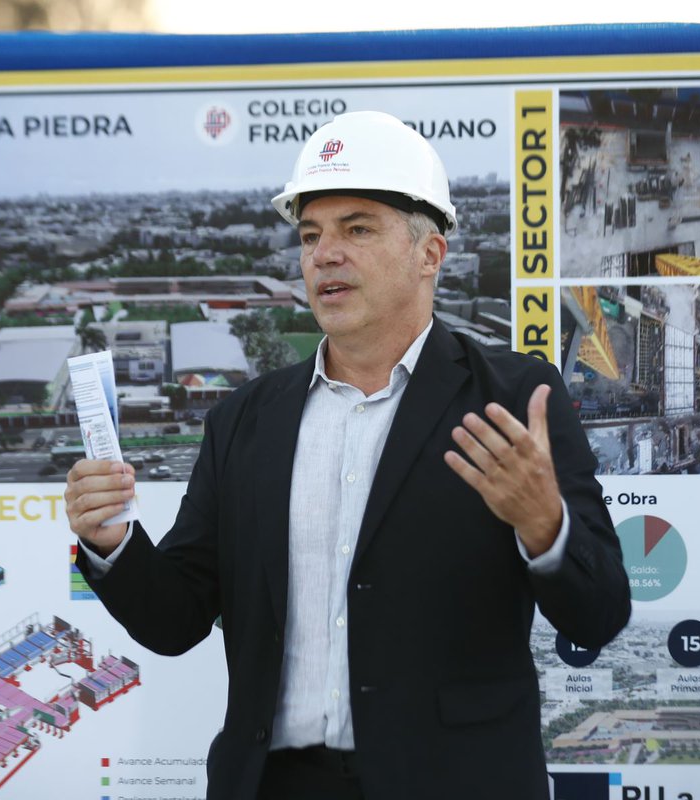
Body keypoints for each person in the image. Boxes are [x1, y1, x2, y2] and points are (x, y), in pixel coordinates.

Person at [65, 110, 630, 800]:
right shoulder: (244, 420)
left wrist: (546, 527)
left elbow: (599, 613)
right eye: (310, 236)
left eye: (357, 229)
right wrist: (113, 544)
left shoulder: (514, 401)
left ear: (430, 253)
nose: (324, 255)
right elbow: (175, 620)